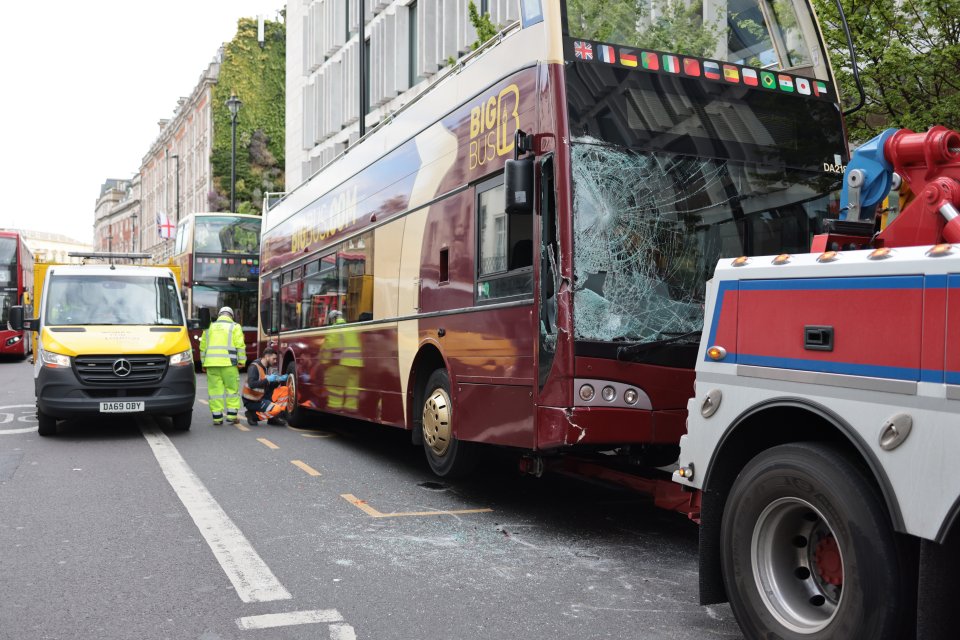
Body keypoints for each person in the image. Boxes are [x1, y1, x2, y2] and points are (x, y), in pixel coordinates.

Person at [199, 306, 246, 425]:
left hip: (211, 364)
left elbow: (203, 348)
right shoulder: (235, 327)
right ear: (231, 316)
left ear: (219, 315)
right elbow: (240, 346)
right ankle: (231, 416)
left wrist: (203, 363)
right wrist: (242, 361)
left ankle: (217, 417)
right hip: (229, 364)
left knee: (215, 391)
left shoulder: (208, 327)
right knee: (231, 389)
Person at [242, 346, 290, 426]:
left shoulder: (268, 367)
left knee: (285, 390)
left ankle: (274, 418)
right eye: (273, 359)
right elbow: (252, 384)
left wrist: (278, 380)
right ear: (267, 357)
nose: (275, 361)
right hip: (253, 400)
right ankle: (253, 415)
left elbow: (268, 386)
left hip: (262, 396)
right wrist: (268, 380)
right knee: (276, 408)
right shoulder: (254, 367)